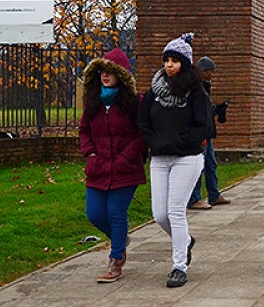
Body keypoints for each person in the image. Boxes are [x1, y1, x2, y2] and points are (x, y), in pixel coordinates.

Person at [139, 33, 210, 288]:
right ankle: (186, 241)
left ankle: (179, 266)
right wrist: (154, 143)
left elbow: (203, 127)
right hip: (160, 157)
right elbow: (144, 123)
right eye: (166, 60)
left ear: (185, 64)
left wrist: (180, 142)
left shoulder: (195, 93)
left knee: (175, 211)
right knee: (159, 214)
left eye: (175, 61)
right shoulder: (153, 92)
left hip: (187, 157)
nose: (169, 65)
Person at [79, 48, 146, 284]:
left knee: (116, 213)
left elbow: (142, 135)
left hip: (125, 168)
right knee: (95, 214)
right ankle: (121, 239)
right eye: (101, 72)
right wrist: (91, 152)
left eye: (110, 72)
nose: (105, 76)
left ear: (122, 74)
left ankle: (116, 260)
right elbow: (84, 131)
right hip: (98, 167)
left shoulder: (134, 103)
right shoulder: (93, 101)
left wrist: (126, 157)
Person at [187, 56, 231, 210]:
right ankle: (194, 198)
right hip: (200, 133)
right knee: (199, 165)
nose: (212, 75)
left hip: (207, 132)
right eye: (210, 72)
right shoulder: (196, 88)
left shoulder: (205, 87)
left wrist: (216, 110)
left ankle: (213, 194)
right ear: (202, 72)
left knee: (211, 163)